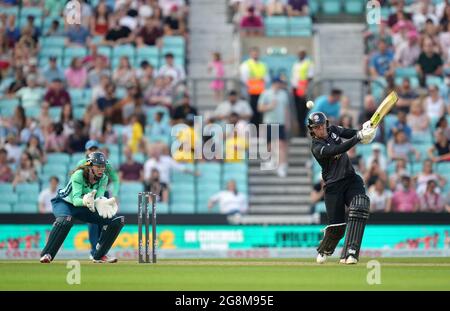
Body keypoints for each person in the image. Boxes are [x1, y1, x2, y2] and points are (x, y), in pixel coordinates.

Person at [308, 111, 377, 264]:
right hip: (333, 187)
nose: (320, 129)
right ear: (312, 130)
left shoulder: (332, 130)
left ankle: (351, 252)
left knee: (360, 204)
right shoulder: (316, 147)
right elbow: (337, 150)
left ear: (326, 124)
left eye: (322, 126)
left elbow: (350, 133)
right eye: (316, 128)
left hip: (351, 179)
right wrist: (358, 137)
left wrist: (366, 132)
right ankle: (325, 248)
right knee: (337, 229)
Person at [40, 152, 124, 263]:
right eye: (98, 166)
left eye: (103, 167)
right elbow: (75, 200)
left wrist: (101, 203)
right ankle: (47, 254)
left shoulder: (103, 178)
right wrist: (85, 201)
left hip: (86, 206)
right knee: (65, 221)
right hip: (64, 203)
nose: (101, 169)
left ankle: (99, 254)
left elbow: (98, 198)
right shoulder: (78, 175)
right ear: (90, 166)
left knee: (116, 221)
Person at [76, 140, 120, 260]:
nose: (93, 151)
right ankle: (94, 251)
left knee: (104, 221)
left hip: (102, 193)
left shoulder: (105, 163)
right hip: (89, 194)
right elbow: (77, 181)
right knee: (93, 223)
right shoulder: (81, 163)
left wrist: (115, 195)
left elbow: (115, 179)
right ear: (86, 151)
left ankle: (100, 252)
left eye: (95, 149)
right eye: (90, 149)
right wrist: (83, 197)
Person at [239, 46, 269, 126]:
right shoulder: (246, 65)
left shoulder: (263, 65)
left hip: (260, 92)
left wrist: (257, 79)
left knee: (260, 113)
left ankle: (258, 131)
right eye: (253, 53)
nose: (255, 55)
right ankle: (253, 130)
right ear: (250, 54)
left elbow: (267, 78)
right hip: (250, 93)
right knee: (252, 112)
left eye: (257, 53)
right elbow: (244, 79)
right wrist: (258, 79)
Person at [291, 47, 314, 137]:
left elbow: (309, 78)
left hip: (304, 90)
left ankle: (304, 131)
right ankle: (299, 131)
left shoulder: (308, 63)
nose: (300, 55)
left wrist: (305, 90)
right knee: (298, 112)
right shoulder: (296, 64)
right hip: (296, 90)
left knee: (304, 111)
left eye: (302, 53)